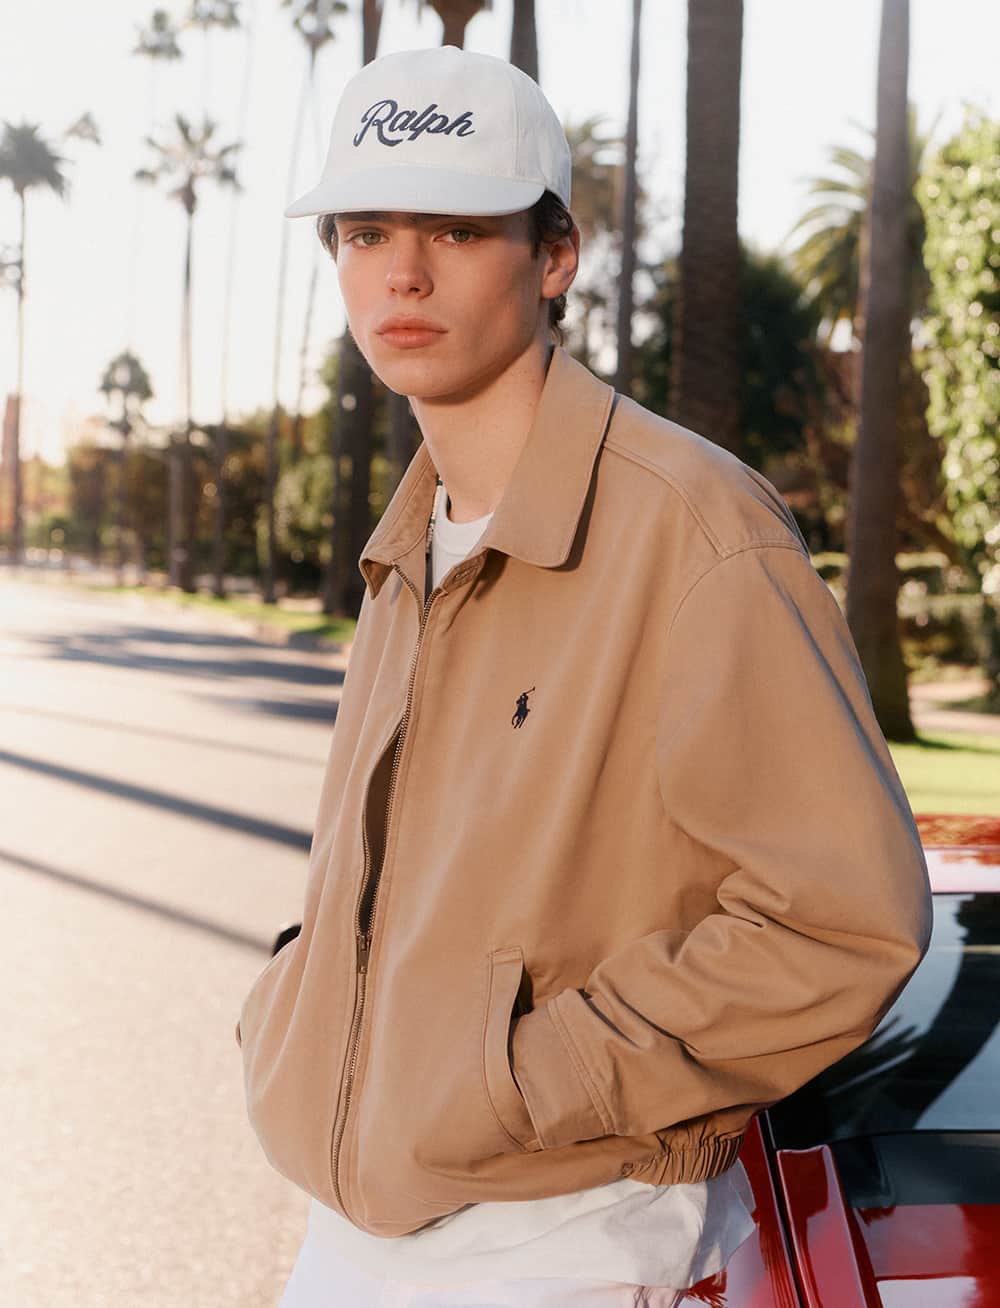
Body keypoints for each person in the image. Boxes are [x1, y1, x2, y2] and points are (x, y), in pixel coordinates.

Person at [235, 45, 933, 1308]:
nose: (401, 272)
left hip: (556, 1238)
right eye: (365, 230)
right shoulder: (414, 537)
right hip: (357, 1223)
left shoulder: (696, 529)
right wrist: (298, 1005)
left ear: (554, 257)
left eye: (456, 227)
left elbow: (840, 922)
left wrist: (517, 1080)